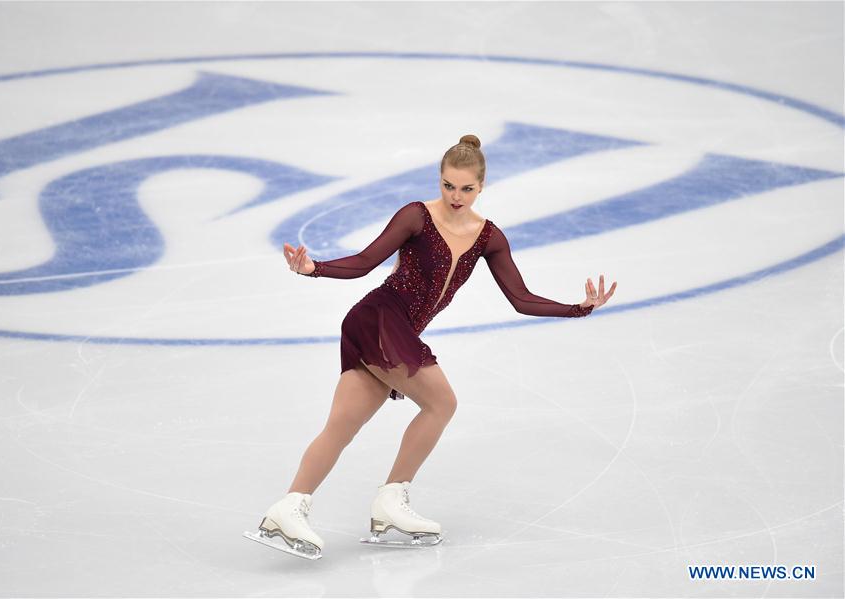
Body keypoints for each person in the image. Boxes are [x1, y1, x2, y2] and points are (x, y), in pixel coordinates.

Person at [245, 134, 617, 559]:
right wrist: (315, 269)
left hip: (398, 329)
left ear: (481, 187)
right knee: (441, 403)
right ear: (439, 180)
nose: (455, 196)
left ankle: (288, 507)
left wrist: (579, 308)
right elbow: (364, 263)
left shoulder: (488, 237)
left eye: (466, 188)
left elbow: (521, 299)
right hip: (379, 319)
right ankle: (388, 501)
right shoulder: (416, 217)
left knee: (343, 425)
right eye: (447, 185)